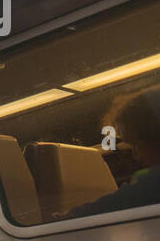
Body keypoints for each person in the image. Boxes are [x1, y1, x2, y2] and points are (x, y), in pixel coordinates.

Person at [62, 88, 160, 218]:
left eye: (135, 144)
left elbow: (124, 200)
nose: (136, 155)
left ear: (154, 136)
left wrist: (69, 217)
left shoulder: (153, 184)